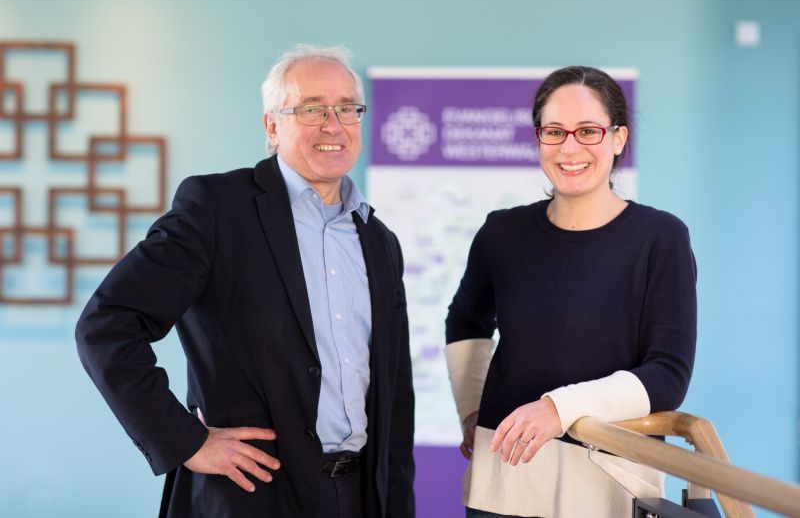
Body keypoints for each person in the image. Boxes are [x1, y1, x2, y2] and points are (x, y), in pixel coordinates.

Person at [76, 44, 415, 518]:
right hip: (250, 496)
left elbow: (394, 395)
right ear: (272, 126)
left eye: (347, 109)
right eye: (312, 108)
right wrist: (185, 441)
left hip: (359, 497)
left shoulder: (379, 240)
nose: (333, 125)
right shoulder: (216, 208)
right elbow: (108, 324)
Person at [444, 66, 697, 517]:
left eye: (588, 131)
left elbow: (668, 375)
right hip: (505, 481)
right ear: (538, 138)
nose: (570, 147)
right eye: (554, 131)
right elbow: (465, 320)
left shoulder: (661, 238)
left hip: (609, 484)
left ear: (618, 138)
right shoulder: (502, 232)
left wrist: (557, 408)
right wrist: (470, 410)